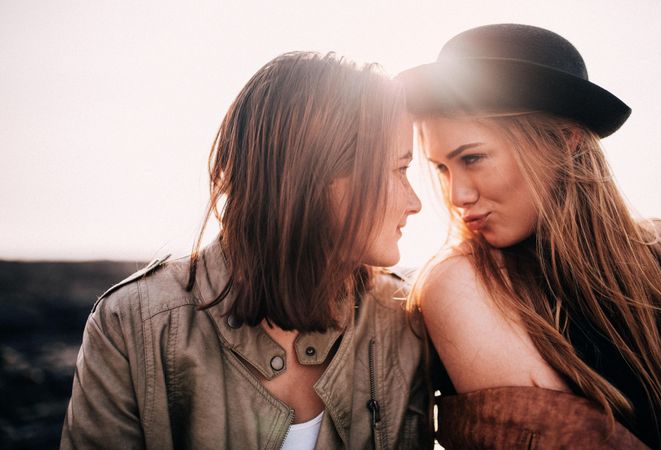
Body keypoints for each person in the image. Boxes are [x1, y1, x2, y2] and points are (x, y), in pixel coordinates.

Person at [61, 52, 430, 449]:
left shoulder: (404, 321)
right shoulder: (133, 326)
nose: (415, 202)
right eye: (399, 169)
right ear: (316, 174)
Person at [400, 24, 661, 449]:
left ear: (565, 142)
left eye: (472, 158)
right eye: (442, 167)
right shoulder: (463, 284)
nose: (457, 194)